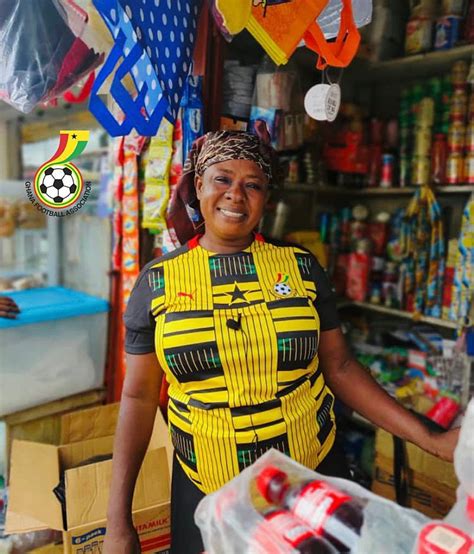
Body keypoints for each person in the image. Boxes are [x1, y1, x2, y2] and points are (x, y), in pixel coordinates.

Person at [103, 124, 459, 554]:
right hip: (206, 486)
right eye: (222, 179)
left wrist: (432, 440)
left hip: (309, 478)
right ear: (198, 186)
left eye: (253, 185)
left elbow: (341, 368)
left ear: (266, 200)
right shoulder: (156, 281)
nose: (236, 194)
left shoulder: (300, 267)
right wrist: (117, 521)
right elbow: (139, 399)